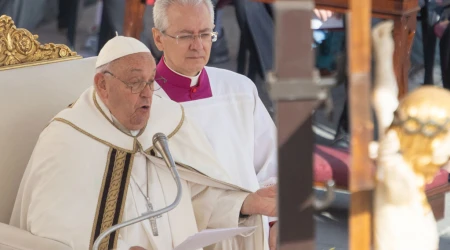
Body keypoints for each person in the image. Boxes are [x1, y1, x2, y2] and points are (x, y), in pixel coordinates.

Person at [10, 36, 276, 250]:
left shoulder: (167, 122)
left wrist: (247, 203)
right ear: (102, 85)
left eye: (151, 82)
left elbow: (197, 198)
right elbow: (52, 233)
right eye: (136, 83)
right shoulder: (67, 140)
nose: (148, 95)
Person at [151, 0, 278, 247]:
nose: (198, 45)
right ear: (158, 38)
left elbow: (271, 165)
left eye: (206, 34)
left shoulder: (240, 89)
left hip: (252, 236)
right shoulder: (145, 105)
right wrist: (239, 205)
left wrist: (275, 223)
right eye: (186, 35)